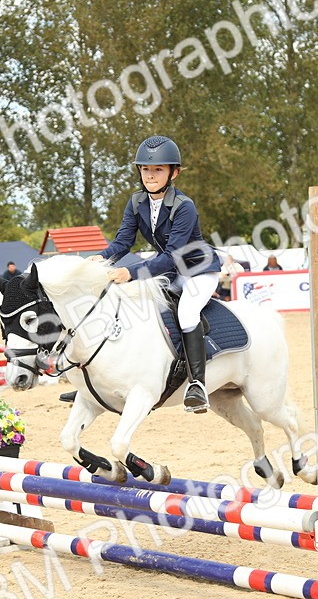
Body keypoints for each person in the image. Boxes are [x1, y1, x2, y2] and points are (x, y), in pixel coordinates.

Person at [92, 135, 221, 413]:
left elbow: (172, 255)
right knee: (136, 305)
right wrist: (101, 259)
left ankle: (197, 384)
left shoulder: (184, 206)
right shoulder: (136, 201)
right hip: (172, 269)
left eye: (158, 170)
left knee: (186, 312)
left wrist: (130, 272)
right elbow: (123, 242)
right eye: (146, 169)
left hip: (198, 269)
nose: (150, 175)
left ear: (173, 173)